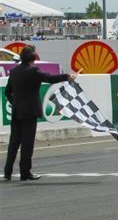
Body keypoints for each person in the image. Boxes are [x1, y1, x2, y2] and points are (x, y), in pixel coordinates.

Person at [3, 46, 77, 181]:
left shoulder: (13, 72)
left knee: (14, 142)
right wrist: (67, 76)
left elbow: (7, 91)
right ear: (33, 59)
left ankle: (7, 172)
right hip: (30, 112)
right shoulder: (33, 71)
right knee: (27, 143)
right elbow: (49, 78)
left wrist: (15, 102)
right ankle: (25, 172)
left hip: (17, 111)